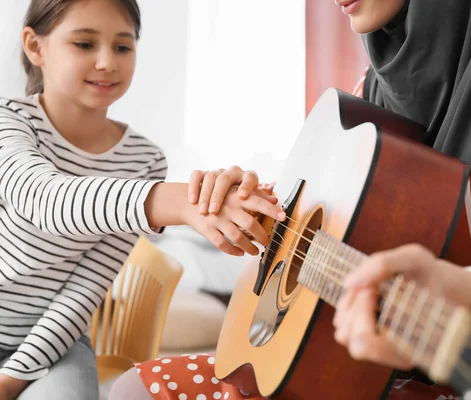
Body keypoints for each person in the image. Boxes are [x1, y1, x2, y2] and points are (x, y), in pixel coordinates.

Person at [109, 0, 471, 399]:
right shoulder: (374, 86)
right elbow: (340, 234)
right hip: (378, 369)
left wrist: (459, 288)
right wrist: (262, 217)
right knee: (140, 387)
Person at [0, 1, 284, 399]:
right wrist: (184, 203)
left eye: (122, 46)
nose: (106, 62)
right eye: (84, 44)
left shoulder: (145, 159)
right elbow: (46, 200)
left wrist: (12, 378)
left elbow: (86, 287)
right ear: (35, 46)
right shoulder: (9, 122)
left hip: (55, 341)